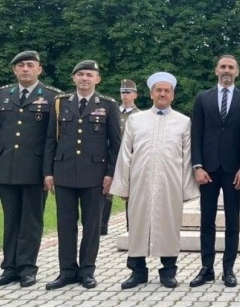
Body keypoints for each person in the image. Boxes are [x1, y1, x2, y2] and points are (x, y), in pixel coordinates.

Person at [111, 72, 199, 289]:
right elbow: (125, 154)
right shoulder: (135, 120)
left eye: (166, 91)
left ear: (173, 95)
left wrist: (187, 190)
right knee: (138, 224)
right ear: (151, 94)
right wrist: (123, 184)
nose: (162, 94)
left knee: (169, 226)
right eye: (158, 90)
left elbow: (187, 157)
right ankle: (137, 271)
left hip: (170, 183)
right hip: (140, 181)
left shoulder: (183, 121)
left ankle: (168, 271)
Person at [43, 60, 122, 290]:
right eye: (80, 74)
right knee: (65, 224)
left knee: (91, 225)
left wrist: (110, 174)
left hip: (95, 174)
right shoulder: (60, 104)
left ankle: (87, 270)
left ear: (97, 79)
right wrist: (48, 171)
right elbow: (50, 140)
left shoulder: (108, 105)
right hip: (64, 172)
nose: (84, 78)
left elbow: (115, 144)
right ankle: (67, 271)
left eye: (89, 75)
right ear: (73, 78)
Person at [190, 55, 240, 288]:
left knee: (232, 220)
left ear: (237, 72)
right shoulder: (202, 98)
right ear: (216, 70)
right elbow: (195, 133)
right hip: (207, 169)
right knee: (206, 219)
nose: (227, 71)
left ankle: (229, 269)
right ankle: (206, 268)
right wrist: (197, 166)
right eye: (223, 67)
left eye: (231, 67)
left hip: (232, 170)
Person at [0, 51, 61, 288]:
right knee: (11, 218)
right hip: (6, 167)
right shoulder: (3, 95)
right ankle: (9, 267)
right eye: (21, 65)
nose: (25, 69)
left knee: (31, 220)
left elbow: (51, 139)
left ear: (39, 69)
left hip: (36, 170)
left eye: (30, 65)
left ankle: (27, 267)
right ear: (14, 70)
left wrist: (49, 171)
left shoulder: (51, 97)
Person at [100, 79, 140, 236]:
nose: (125, 95)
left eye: (128, 92)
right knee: (105, 190)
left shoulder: (139, 115)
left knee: (130, 192)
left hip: (129, 157)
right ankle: (102, 226)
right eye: (123, 92)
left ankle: (132, 227)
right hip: (110, 154)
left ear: (135, 95)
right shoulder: (113, 110)